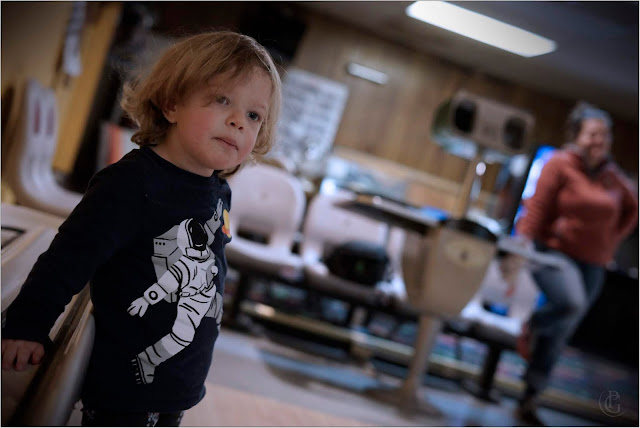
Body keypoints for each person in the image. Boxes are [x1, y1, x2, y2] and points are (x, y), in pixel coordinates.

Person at [1, 30, 282, 426]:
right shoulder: (131, 184)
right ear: (171, 103)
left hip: (176, 383)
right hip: (126, 390)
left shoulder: (218, 191)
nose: (238, 121)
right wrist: (26, 326)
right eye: (222, 100)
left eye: (254, 115)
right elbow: (68, 257)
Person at [510, 102, 638, 425]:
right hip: (554, 253)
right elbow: (537, 206)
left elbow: (632, 208)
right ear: (577, 135)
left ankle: (529, 398)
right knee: (571, 303)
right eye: (593, 134)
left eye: (604, 135)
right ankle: (533, 325)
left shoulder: (612, 176)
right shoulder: (560, 163)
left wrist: (612, 241)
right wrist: (521, 244)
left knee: (561, 333)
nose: (599, 141)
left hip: (593, 263)